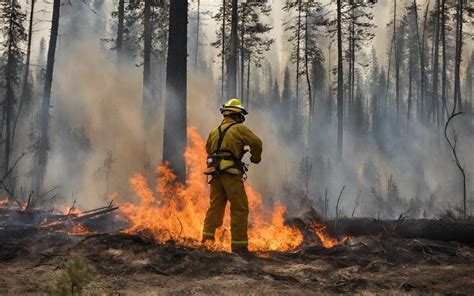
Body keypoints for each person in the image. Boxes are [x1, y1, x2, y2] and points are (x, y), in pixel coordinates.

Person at [202, 98, 262, 255]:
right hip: (231, 174)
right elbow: (256, 142)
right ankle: (239, 247)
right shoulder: (239, 129)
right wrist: (255, 158)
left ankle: (207, 242)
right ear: (238, 115)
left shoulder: (214, 132)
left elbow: (208, 149)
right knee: (239, 208)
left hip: (215, 174)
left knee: (215, 207)